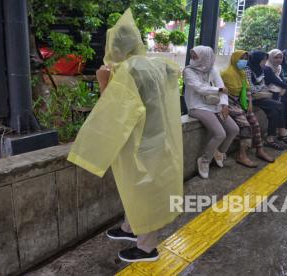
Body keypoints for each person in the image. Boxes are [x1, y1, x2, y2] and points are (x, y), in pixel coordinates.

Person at [67, 9, 183, 262]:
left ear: (118, 46)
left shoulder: (128, 71)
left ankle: (146, 248)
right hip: (155, 137)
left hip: (138, 142)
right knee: (134, 189)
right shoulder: (151, 63)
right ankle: (129, 229)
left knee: (142, 192)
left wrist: (102, 81)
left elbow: (113, 111)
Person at [184, 45, 239, 178]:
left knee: (233, 129)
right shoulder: (188, 71)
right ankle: (204, 160)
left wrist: (224, 105)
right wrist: (218, 91)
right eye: (192, 54)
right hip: (196, 106)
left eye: (195, 55)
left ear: (205, 57)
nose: (192, 57)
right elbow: (199, 88)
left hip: (213, 105)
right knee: (220, 133)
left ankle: (219, 152)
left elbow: (222, 87)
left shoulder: (212, 69)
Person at [221, 50, 275, 168]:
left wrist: (249, 102)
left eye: (246, 59)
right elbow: (222, 93)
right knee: (245, 126)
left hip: (242, 103)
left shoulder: (242, 73)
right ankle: (242, 155)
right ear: (235, 59)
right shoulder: (226, 74)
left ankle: (259, 150)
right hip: (229, 103)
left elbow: (247, 89)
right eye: (241, 58)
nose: (244, 61)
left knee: (255, 124)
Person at [246, 51, 287, 151]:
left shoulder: (261, 69)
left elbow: (262, 85)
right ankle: (278, 135)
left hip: (259, 96)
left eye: (266, 59)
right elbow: (250, 88)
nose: (265, 61)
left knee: (275, 110)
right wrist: (260, 88)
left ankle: (271, 138)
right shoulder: (248, 69)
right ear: (257, 59)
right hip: (250, 98)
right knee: (279, 105)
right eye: (263, 59)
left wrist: (260, 88)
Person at [263, 49, 287, 145]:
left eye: (280, 57)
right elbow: (277, 82)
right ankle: (277, 135)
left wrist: (285, 88)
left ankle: (281, 132)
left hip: (276, 92)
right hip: (267, 92)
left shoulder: (278, 67)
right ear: (270, 57)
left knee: (285, 104)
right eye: (276, 57)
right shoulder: (267, 68)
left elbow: (281, 81)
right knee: (279, 108)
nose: (279, 60)